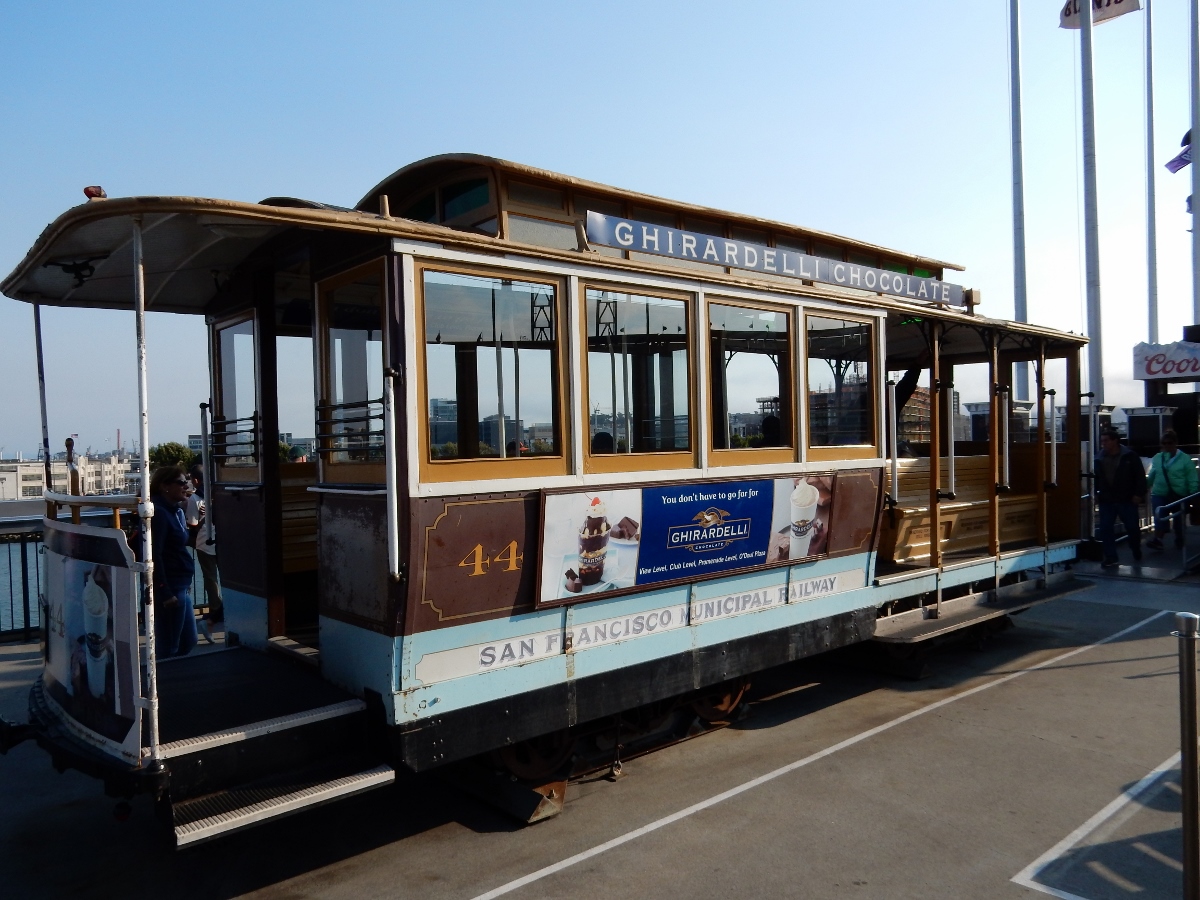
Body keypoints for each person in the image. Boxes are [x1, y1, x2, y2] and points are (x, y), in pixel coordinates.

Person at [149, 464, 197, 657]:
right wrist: (164, 591)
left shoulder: (176, 511)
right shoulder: (159, 513)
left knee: (188, 641)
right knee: (169, 645)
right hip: (171, 588)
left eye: (187, 481)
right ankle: (161, 683)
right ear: (164, 486)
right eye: (181, 482)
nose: (186, 486)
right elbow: (155, 554)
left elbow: (180, 543)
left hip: (181, 584)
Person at [1094, 429, 1148, 568]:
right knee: (1106, 528)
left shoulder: (1130, 456)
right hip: (1107, 499)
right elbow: (1097, 478)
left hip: (1127, 499)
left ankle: (1135, 548)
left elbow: (1140, 476)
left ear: (1115, 441)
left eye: (1106, 441)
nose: (1103, 444)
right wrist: (1096, 494)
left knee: (1132, 528)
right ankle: (1111, 557)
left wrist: (1138, 494)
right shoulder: (1099, 458)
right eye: (1102, 441)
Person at [1146, 430, 1198, 551]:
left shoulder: (1185, 459)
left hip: (1179, 494)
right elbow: (1153, 474)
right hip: (1159, 492)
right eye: (1163, 443)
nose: (1166, 446)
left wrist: (1193, 494)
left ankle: (1179, 538)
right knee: (1159, 516)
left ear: (1175, 443)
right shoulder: (1158, 458)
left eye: (1169, 443)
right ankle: (1158, 539)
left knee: (1178, 521)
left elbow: (1192, 477)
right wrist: (1144, 487)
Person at [186, 464, 223, 624]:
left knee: (210, 578)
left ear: (195, 480)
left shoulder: (195, 499)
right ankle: (228, 608)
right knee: (226, 578)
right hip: (223, 540)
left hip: (204, 542)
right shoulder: (218, 493)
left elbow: (192, 524)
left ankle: (216, 609)